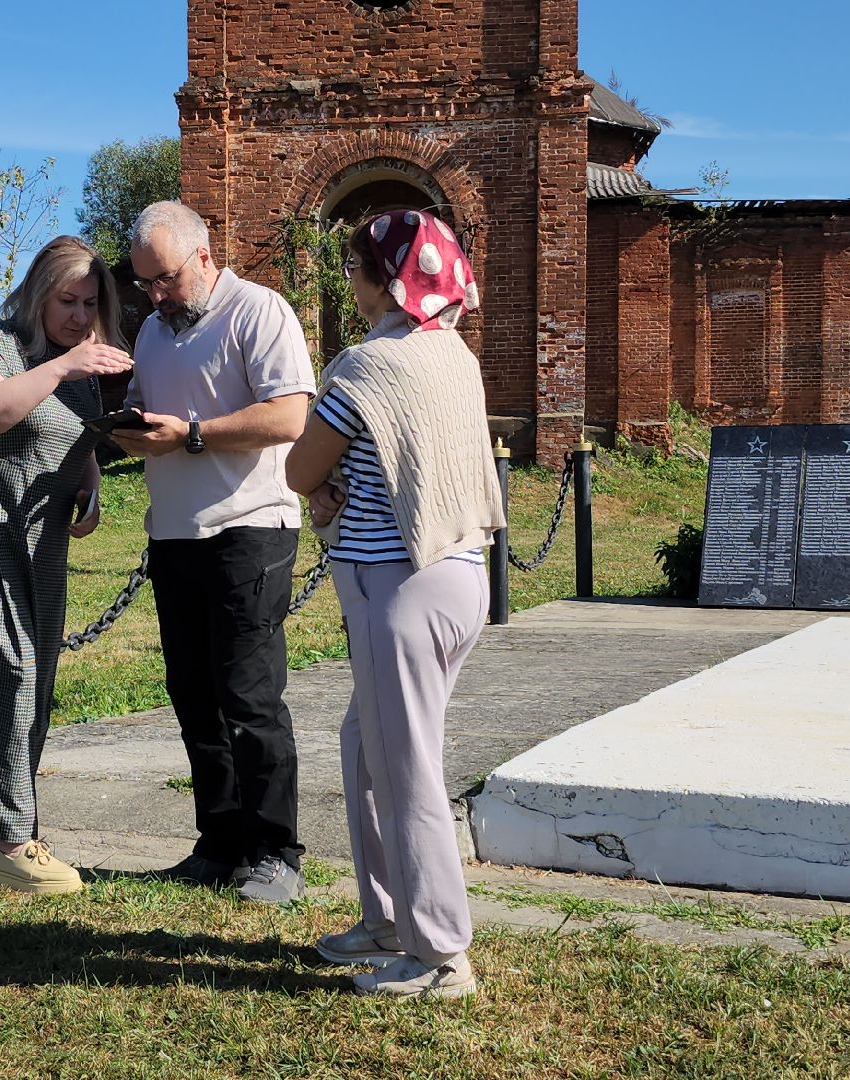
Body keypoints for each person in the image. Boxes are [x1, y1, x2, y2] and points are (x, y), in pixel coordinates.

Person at [284, 209, 504, 999]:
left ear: (386, 278)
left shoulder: (365, 365)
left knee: (404, 769)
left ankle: (441, 951)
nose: (350, 281)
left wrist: (325, 489)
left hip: (397, 589)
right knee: (366, 751)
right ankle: (386, 920)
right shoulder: (456, 355)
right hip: (460, 578)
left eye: (356, 269)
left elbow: (301, 470)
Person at [110, 200, 314, 905]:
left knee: (249, 699)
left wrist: (191, 434)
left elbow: (290, 415)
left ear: (204, 255)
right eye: (145, 284)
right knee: (194, 696)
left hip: (250, 527)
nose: (156, 296)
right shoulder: (153, 333)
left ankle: (276, 851)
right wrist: (130, 427)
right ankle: (221, 843)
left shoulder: (260, 312)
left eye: (164, 279)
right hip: (174, 533)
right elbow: (146, 407)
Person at [0, 235, 132, 893]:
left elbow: (78, 437)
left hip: (44, 549)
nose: (81, 315)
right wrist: (62, 367)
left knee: (34, 689)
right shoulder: (1, 345)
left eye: (91, 302)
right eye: (67, 300)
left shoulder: (80, 363)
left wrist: (91, 483)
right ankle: (14, 845)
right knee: (7, 682)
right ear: (37, 294)